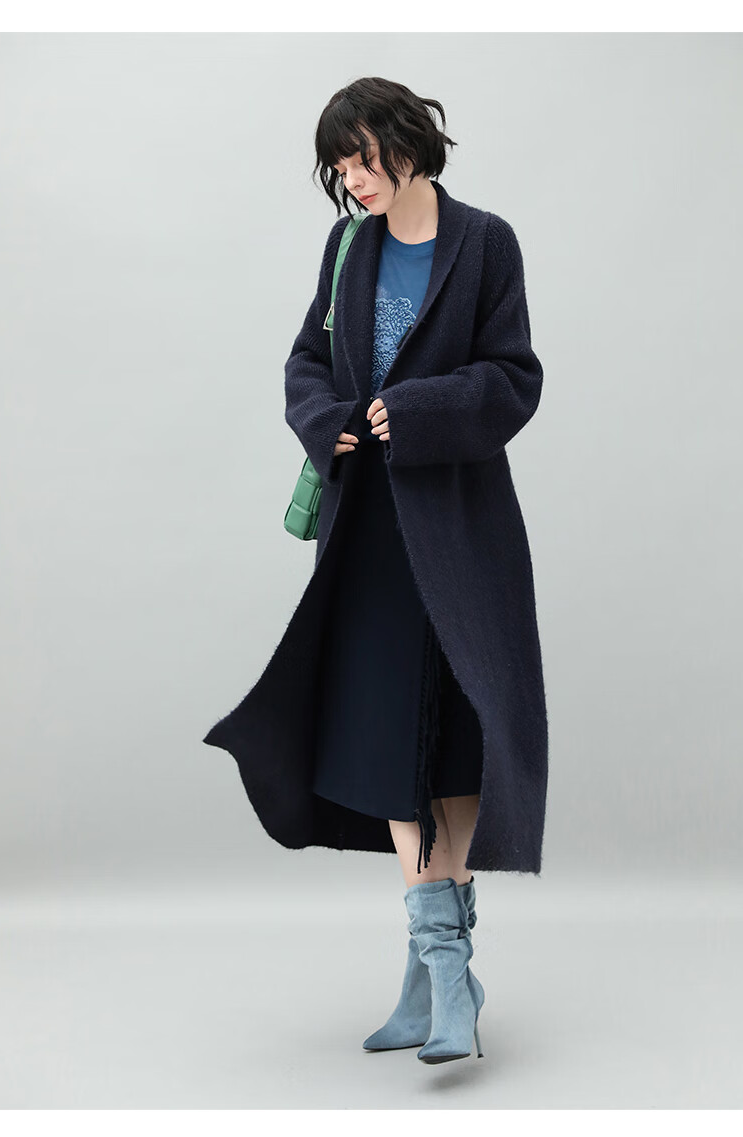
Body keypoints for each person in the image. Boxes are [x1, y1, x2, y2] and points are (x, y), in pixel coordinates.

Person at [204, 76, 547, 1065]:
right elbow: (305, 364)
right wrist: (331, 422)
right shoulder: (346, 247)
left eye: (362, 157)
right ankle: (444, 972)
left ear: (408, 141)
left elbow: (513, 378)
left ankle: (436, 982)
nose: (352, 178)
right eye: (339, 165)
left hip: (461, 534)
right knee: (391, 739)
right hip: (367, 536)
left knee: (462, 744)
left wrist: (422, 411)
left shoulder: (486, 244)